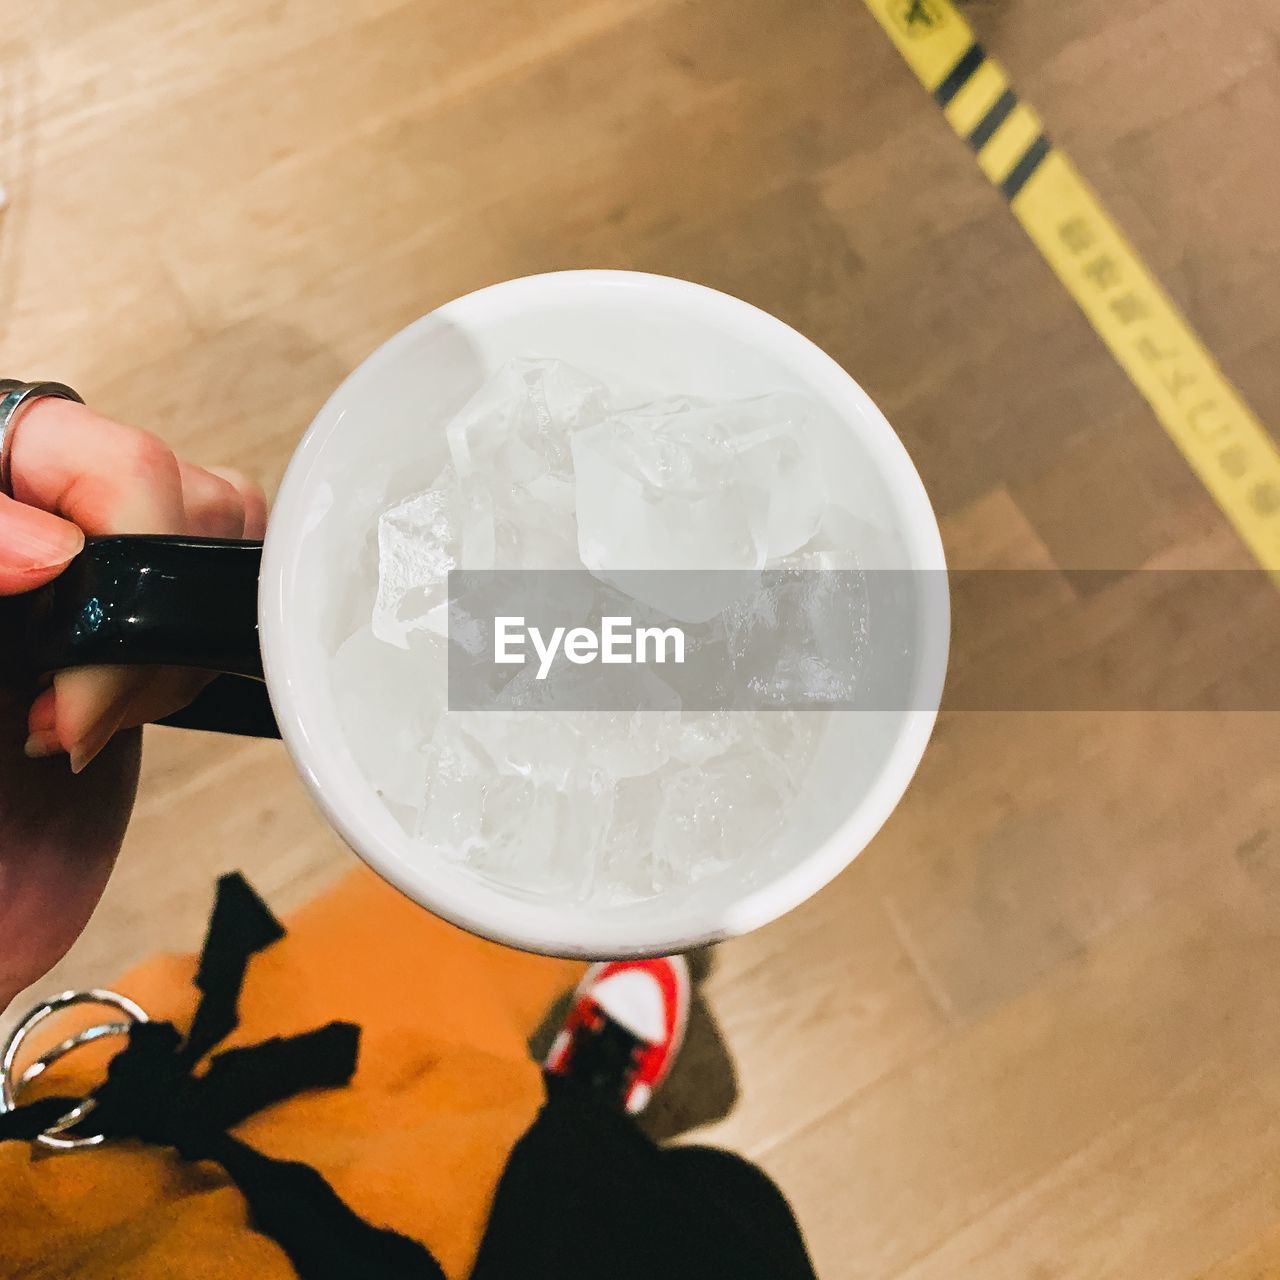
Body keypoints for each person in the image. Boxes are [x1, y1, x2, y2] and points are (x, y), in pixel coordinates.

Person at [0, 383, 818, 1279]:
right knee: (681, 1228)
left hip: (90, 1144)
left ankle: (560, 1100)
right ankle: (570, 1107)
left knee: (416, 1006)